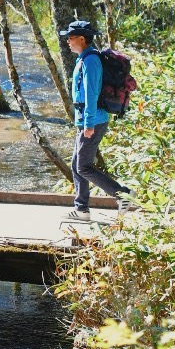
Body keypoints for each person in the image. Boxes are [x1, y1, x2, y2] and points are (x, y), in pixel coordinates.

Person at [60, 18, 131, 221]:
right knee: (76, 164)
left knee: (83, 166)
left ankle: (123, 195)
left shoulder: (90, 61)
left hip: (93, 121)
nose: (68, 41)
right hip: (86, 120)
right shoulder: (84, 58)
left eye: (70, 38)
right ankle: (81, 209)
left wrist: (89, 124)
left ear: (81, 39)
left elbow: (91, 94)